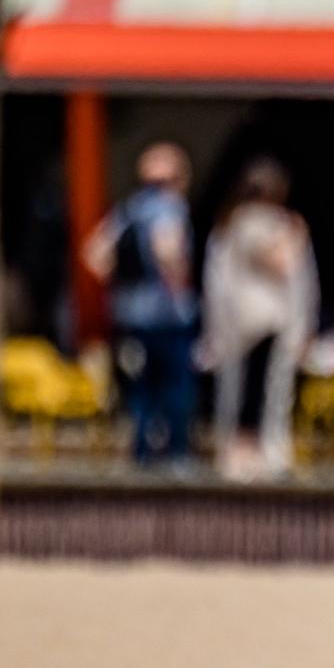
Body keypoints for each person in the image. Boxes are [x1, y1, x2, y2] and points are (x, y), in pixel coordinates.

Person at [202, 159, 318, 481]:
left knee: (252, 393)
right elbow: (278, 262)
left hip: (249, 324)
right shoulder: (251, 221)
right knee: (258, 395)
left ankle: (252, 456)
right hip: (258, 325)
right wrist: (295, 236)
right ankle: (256, 458)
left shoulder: (233, 222)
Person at [86, 143, 199, 467]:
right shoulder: (170, 208)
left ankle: (142, 455)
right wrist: (176, 285)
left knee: (140, 390)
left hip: (129, 314)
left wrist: (123, 280)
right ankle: (177, 456)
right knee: (175, 388)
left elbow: (94, 255)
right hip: (167, 316)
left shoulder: (129, 209)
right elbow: (168, 251)